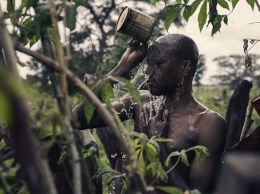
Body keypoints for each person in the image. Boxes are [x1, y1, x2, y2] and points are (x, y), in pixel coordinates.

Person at [74, 34, 227, 193]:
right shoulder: (140, 101)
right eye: (148, 63)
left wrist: (156, 145)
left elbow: (196, 192)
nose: (148, 71)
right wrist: (124, 65)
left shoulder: (208, 123)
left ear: (185, 67)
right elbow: (77, 119)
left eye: (157, 63)